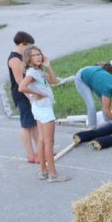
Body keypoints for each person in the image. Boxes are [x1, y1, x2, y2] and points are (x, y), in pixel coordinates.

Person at [18, 45, 70, 183]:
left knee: (42, 140)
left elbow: (54, 81)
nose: (39, 56)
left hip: (39, 108)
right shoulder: (32, 73)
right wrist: (38, 93)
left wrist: (48, 66)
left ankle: (43, 171)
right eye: (35, 55)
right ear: (29, 59)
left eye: (39, 54)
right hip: (44, 109)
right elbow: (21, 87)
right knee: (49, 142)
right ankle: (53, 174)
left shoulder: (37, 72)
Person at [7, 31, 39, 163]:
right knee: (26, 125)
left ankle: (40, 150)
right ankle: (31, 155)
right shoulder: (14, 59)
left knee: (34, 123)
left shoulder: (21, 56)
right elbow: (20, 81)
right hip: (21, 95)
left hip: (28, 92)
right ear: (22, 44)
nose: (30, 50)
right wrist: (30, 97)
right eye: (29, 47)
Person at [74, 64, 112, 129]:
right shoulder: (106, 90)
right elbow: (107, 110)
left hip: (93, 72)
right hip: (81, 78)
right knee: (91, 105)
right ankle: (91, 127)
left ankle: (108, 122)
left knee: (105, 104)